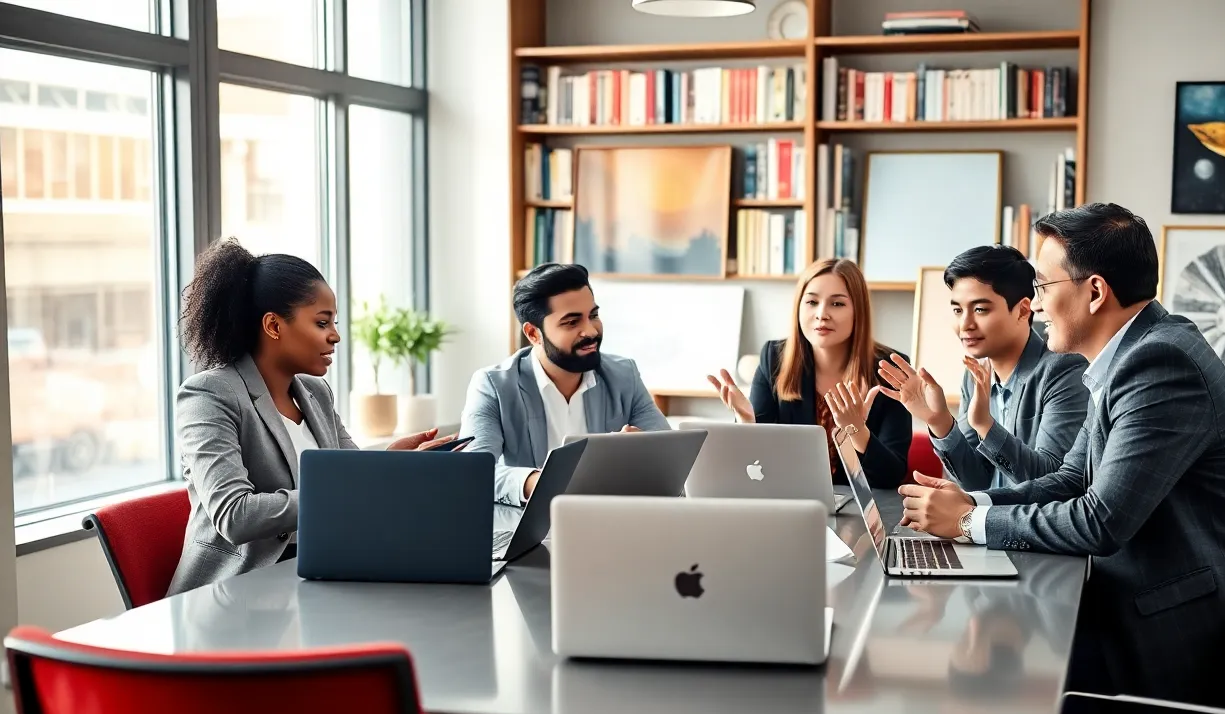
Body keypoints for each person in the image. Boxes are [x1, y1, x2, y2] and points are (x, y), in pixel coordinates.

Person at [892, 203, 1225, 710]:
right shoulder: (1128, 356)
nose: (1038, 306)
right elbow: (1073, 476)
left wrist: (969, 523)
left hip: (1173, 628)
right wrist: (974, 500)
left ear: (1094, 292)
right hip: (1141, 596)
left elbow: (1101, 521)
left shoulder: (1159, 363)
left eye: (1044, 288)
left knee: (975, 681)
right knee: (968, 649)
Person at [168, 238, 455, 596]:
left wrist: (392, 465)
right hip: (237, 593)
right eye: (322, 323)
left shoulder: (315, 393)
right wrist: (347, 491)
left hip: (316, 574)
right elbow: (235, 516)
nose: (335, 336)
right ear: (274, 326)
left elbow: (351, 477)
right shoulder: (209, 395)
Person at [879, 245, 1089, 490]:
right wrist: (939, 422)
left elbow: (1052, 483)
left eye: (980, 309)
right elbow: (975, 481)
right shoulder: (974, 376)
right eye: (958, 310)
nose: (965, 324)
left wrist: (985, 425)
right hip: (984, 522)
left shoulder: (1063, 370)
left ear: (1022, 310)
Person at [459, 263, 668, 506]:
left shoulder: (624, 375)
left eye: (593, 315)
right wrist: (540, 482)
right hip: (529, 532)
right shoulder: (493, 386)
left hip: (611, 520)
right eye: (571, 322)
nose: (590, 331)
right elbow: (473, 473)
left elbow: (672, 458)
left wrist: (645, 453)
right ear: (533, 334)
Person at [707, 258, 913, 488]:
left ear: (859, 311)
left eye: (837, 304)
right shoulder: (774, 358)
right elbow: (754, 466)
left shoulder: (890, 368)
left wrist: (857, 430)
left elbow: (892, 476)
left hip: (860, 514)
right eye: (812, 302)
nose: (821, 314)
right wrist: (747, 421)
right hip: (789, 503)